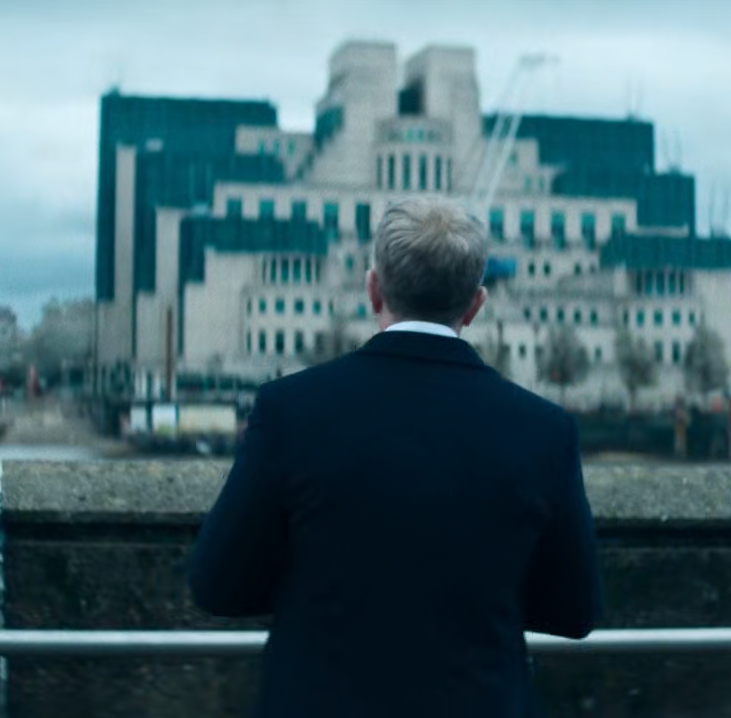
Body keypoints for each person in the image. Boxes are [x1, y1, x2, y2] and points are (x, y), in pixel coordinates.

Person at [187, 195, 602, 718]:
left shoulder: (288, 410)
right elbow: (574, 611)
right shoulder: (545, 431)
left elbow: (217, 586)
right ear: (476, 304)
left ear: (374, 289)